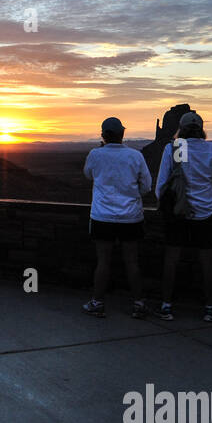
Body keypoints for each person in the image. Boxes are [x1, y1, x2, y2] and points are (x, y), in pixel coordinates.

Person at [154, 111, 212, 322]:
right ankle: (210, 307)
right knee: (207, 261)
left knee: (172, 259)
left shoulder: (177, 148)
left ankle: (166, 305)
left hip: (178, 214)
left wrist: (168, 204)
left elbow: (163, 183)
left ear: (181, 128)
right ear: (202, 128)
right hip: (205, 214)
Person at [82, 117, 152, 317]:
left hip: (102, 217)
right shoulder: (135, 156)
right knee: (132, 261)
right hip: (131, 217)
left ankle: (97, 302)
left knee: (103, 261)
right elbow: (146, 186)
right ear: (123, 134)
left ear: (103, 134)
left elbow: (88, 175)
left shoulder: (95, 154)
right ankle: (139, 304)